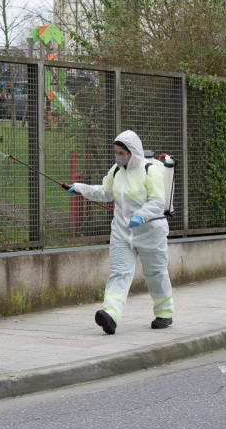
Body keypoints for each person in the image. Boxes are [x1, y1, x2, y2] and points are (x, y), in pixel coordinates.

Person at [64, 130, 174, 334]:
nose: (118, 156)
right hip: (122, 231)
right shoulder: (116, 170)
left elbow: (158, 201)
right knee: (119, 272)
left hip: (150, 231)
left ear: (133, 152)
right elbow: (105, 193)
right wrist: (79, 188)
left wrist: (141, 215)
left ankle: (164, 312)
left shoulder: (151, 170)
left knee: (155, 273)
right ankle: (110, 315)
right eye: (116, 152)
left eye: (122, 152)